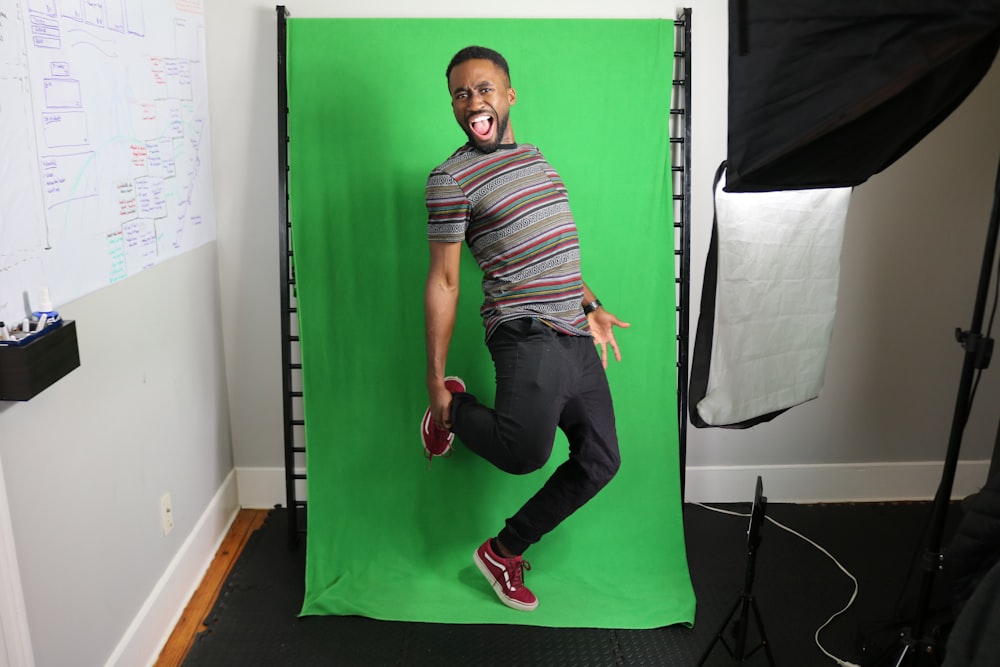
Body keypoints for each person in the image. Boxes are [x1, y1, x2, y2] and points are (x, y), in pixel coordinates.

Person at [421, 45, 630, 612]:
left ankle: (503, 551)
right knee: (523, 453)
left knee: (600, 460)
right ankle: (450, 411)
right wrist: (436, 380)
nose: (473, 102)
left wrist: (593, 303)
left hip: (574, 331)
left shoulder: (536, 159)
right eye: (461, 94)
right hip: (524, 329)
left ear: (508, 96)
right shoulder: (450, 179)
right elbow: (444, 281)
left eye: (484, 89)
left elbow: (555, 246)